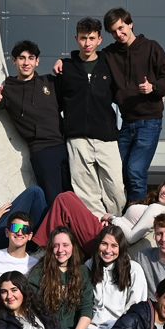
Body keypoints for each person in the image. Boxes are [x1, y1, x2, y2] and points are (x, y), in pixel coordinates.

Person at [0, 39, 69, 205]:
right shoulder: (7, 89)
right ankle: (57, 231)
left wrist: (65, 62)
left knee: (74, 196)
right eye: (21, 58)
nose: (26, 62)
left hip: (67, 145)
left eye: (31, 58)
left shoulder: (50, 82)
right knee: (54, 199)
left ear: (37, 61)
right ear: (14, 61)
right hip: (43, 151)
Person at [101, 6, 165, 203]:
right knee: (118, 172)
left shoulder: (151, 47)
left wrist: (154, 88)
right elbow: (89, 62)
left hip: (149, 121)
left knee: (135, 171)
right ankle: (124, 216)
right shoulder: (109, 54)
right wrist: (64, 62)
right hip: (126, 123)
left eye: (121, 27)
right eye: (113, 31)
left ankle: (136, 218)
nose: (119, 33)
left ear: (130, 23)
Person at [55, 17, 126, 215]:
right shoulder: (66, 68)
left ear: (99, 40)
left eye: (92, 38)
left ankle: (115, 227)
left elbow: (122, 92)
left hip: (107, 136)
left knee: (116, 189)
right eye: (83, 38)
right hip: (77, 138)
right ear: (76, 38)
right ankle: (96, 230)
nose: (87, 43)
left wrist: (155, 95)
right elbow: (56, 102)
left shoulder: (109, 64)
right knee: (86, 192)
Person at [34, 174, 165, 254]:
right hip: (105, 232)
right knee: (66, 207)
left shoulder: (158, 210)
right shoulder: (157, 207)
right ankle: (47, 248)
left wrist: (113, 218)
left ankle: (40, 248)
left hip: (105, 238)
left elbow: (131, 237)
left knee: (66, 198)